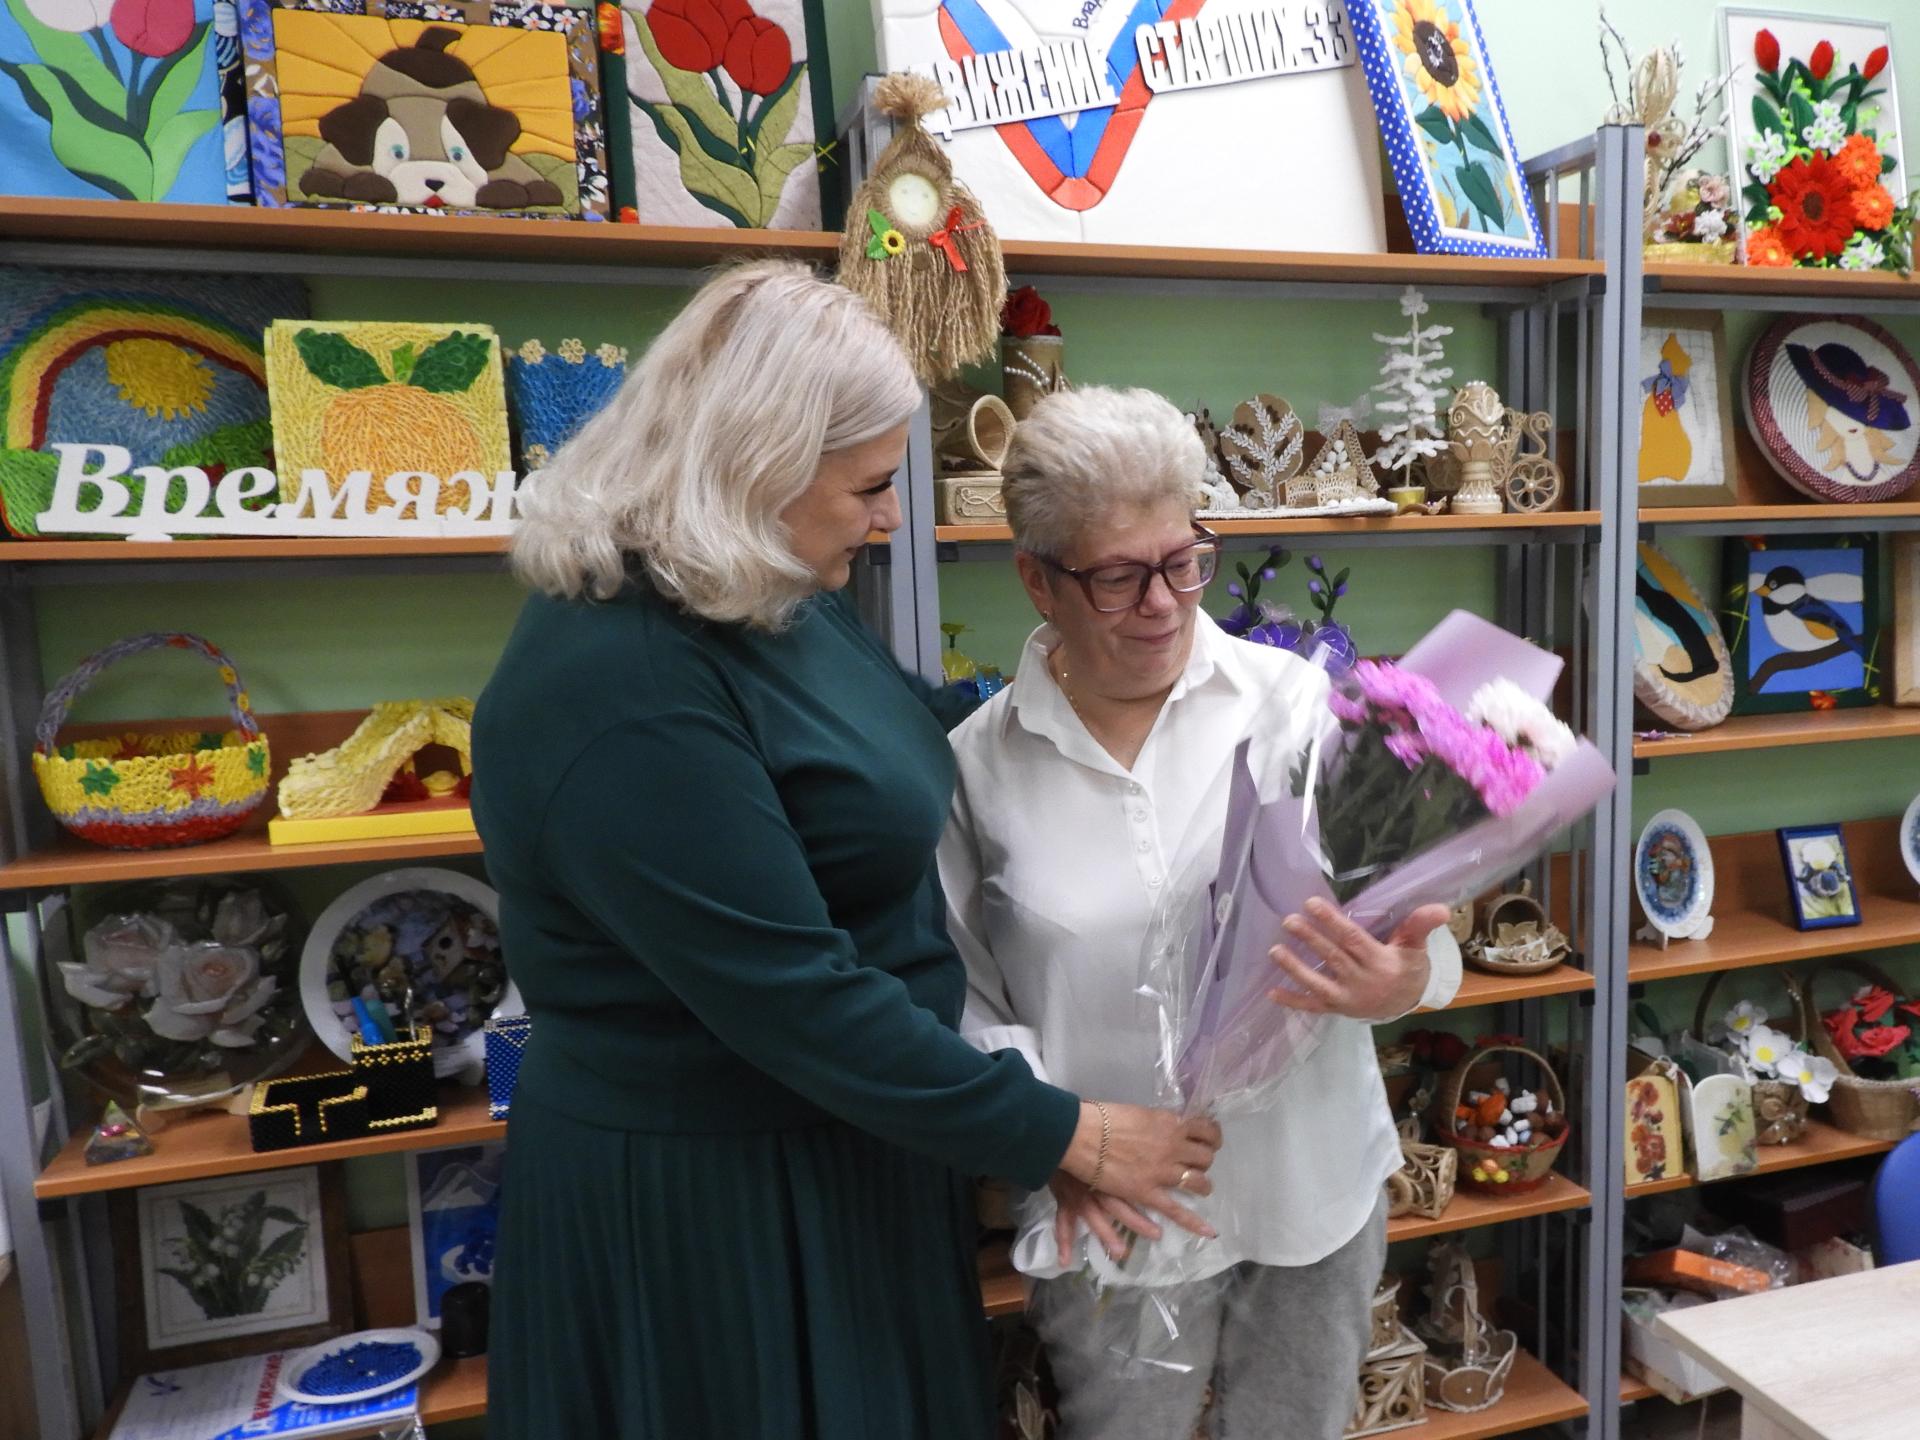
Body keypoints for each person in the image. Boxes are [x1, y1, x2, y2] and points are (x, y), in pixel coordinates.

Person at [469, 266, 1222, 1440]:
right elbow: (796, 997)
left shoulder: (760, 586)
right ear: (756, 465)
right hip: (714, 1208)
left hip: (850, 1145)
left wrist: (1096, 706)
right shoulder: (623, 684)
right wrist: (1066, 1133)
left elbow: (893, 737)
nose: (889, 520)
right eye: (871, 486)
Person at [938, 385, 1461, 1440]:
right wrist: (1057, 1144)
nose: (1164, 604)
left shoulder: (1292, 703)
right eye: (1118, 577)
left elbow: (1413, 932)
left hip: (1310, 1188)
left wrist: (1404, 978)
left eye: (1184, 561)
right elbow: (965, 998)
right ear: (1037, 578)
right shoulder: (977, 767)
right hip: (1111, 1212)